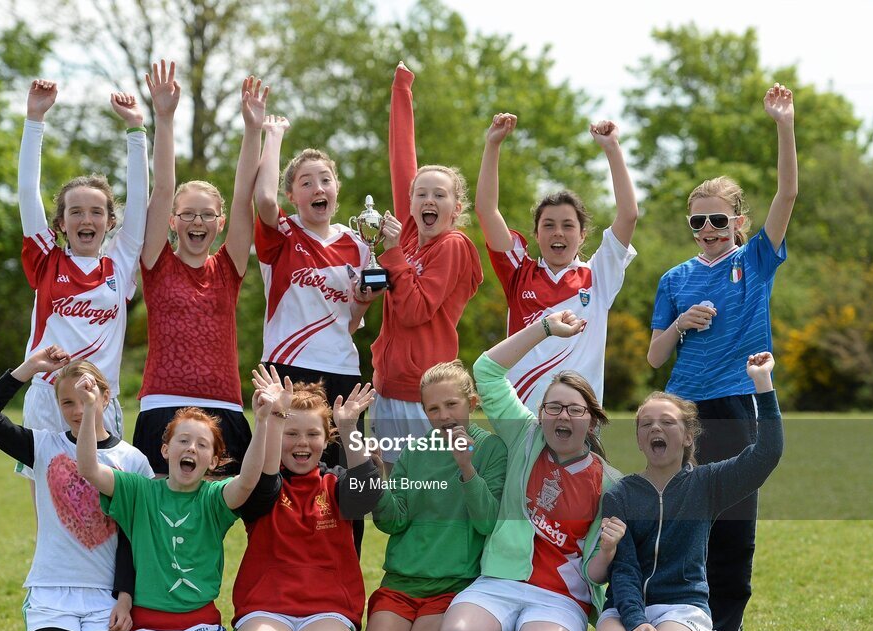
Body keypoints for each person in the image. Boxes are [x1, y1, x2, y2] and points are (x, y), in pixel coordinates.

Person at [646, 84, 796, 631]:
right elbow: (655, 355)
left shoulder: (756, 261)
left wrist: (783, 125)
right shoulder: (675, 280)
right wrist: (680, 325)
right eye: (697, 222)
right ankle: (678, 620)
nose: (707, 230)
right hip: (682, 407)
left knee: (733, 523)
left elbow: (787, 196)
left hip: (737, 403)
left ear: (738, 221)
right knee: (680, 522)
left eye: (717, 220)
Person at [438, 310, 623, 631]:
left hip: (559, 597)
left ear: (592, 420)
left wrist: (608, 549)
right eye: (553, 407)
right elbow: (487, 371)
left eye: (574, 409)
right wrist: (543, 329)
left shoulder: (610, 482)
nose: (562, 417)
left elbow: (598, 571)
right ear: (540, 415)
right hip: (500, 581)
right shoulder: (525, 436)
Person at [75, 366, 286, 631]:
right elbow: (89, 468)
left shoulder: (213, 498)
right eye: (183, 440)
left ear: (213, 461)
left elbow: (247, 481)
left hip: (197, 624)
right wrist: (91, 409)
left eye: (202, 445)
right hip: (146, 623)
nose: (191, 448)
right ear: (165, 451)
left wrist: (260, 421)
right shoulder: (139, 491)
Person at [0, 346, 152, 631]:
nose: (78, 410)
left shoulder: (134, 460)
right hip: (51, 592)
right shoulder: (42, 446)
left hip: (105, 596)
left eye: (87, 397)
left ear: (105, 395)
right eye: (68, 402)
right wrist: (29, 368)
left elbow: (132, 536)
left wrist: (125, 598)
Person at [591, 353, 782, 631]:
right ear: (639, 439)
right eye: (646, 424)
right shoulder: (620, 494)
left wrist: (763, 384)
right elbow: (623, 569)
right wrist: (636, 622)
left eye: (667, 422)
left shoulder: (707, 484)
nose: (656, 428)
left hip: (682, 606)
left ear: (689, 436)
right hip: (626, 605)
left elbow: (766, 454)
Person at [133, 61, 267, 476]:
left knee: (214, 517)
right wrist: (165, 117)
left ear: (219, 222)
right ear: (173, 220)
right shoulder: (155, 261)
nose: (197, 222)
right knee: (160, 514)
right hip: (162, 403)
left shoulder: (228, 267)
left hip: (223, 405)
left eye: (207, 215)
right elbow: (163, 187)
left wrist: (252, 130)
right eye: (188, 215)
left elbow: (244, 195)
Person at [17, 79, 147, 481]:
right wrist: (35, 118)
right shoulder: (45, 259)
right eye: (75, 211)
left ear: (110, 221)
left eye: (96, 212)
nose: (85, 219)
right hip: (47, 395)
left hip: (98, 400)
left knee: (105, 508)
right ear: (60, 223)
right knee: (49, 503)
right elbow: (26, 191)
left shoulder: (121, 263)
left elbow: (140, 199)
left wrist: (136, 131)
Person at [229, 369, 382, 631]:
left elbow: (366, 496)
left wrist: (350, 427)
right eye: (290, 432)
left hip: (327, 609)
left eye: (312, 434)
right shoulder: (260, 483)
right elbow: (267, 482)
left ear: (327, 439)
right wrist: (274, 416)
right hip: (266, 608)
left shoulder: (335, 481)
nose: (302, 442)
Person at [475, 113, 638, 410]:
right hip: (522, 419)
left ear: (582, 235)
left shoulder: (599, 276)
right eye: (548, 225)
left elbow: (628, 215)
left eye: (568, 225)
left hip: (580, 420)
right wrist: (493, 144)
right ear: (536, 234)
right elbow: (486, 210)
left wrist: (612, 148)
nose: (558, 233)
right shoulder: (517, 271)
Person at [361, 360, 507, 631]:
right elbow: (393, 522)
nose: (443, 416)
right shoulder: (414, 452)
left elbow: (487, 524)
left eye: (452, 405)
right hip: (401, 582)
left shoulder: (491, 449)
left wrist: (466, 467)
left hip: (451, 586)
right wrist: (376, 478)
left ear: (471, 403)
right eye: (433, 408)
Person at [370, 62, 483, 469]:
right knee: (393, 496)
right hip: (387, 388)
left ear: (456, 207)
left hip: (425, 396)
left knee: (428, 497)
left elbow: (416, 310)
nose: (428, 200)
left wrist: (393, 254)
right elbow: (402, 162)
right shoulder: (412, 237)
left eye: (440, 194)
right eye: (421, 194)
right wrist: (401, 91)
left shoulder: (453, 245)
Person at [252, 115, 381, 466]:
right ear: (292, 195)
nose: (318, 188)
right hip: (287, 367)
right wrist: (274, 135)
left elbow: (350, 323)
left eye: (325, 180)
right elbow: (263, 198)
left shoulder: (360, 245)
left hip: (342, 370)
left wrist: (363, 302)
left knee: (346, 476)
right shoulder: (282, 233)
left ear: (336, 188)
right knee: (283, 477)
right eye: (306, 183)